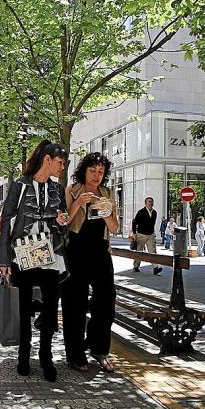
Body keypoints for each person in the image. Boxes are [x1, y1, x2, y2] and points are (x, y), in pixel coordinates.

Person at [0, 139, 69, 382]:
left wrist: (60, 221)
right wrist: (3, 259)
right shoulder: (19, 185)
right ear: (47, 160)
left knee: (50, 309)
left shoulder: (58, 189)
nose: (62, 167)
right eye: (60, 162)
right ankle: (23, 356)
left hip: (49, 256)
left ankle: (46, 357)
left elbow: (62, 222)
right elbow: (6, 221)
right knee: (24, 307)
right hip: (23, 254)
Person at [62, 152, 119, 373]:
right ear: (84, 170)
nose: (97, 176)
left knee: (106, 300)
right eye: (93, 171)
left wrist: (106, 212)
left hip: (100, 252)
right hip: (75, 252)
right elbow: (63, 222)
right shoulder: (72, 189)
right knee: (75, 304)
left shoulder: (107, 193)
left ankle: (99, 349)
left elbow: (114, 228)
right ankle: (75, 354)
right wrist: (78, 203)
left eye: (101, 172)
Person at [131, 197, 163, 275]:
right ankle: (136, 266)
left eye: (152, 201)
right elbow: (134, 222)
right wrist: (134, 233)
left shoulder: (154, 212)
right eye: (149, 202)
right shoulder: (141, 212)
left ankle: (155, 268)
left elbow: (152, 223)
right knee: (139, 252)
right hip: (141, 235)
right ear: (145, 203)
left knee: (153, 252)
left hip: (151, 235)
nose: (151, 203)